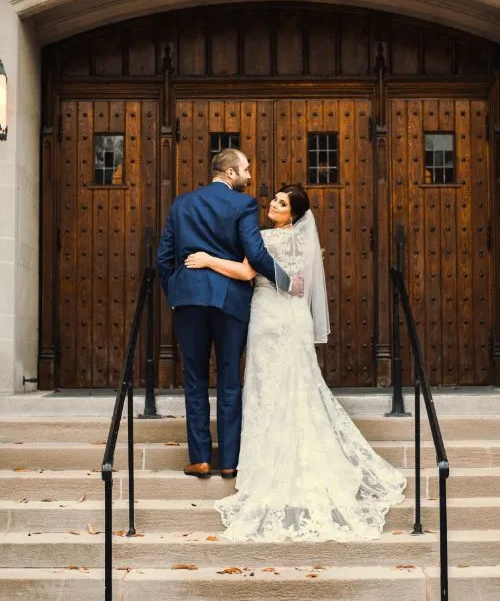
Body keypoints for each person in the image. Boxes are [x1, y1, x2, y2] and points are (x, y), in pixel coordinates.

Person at [184, 184, 407, 542]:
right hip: (294, 318)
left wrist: (206, 260)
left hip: (269, 318)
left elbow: (246, 273)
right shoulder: (305, 244)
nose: (273, 204)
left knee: (266, 387)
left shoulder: (263, 238)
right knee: (298, 388)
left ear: (294, 215)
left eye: (282, 203)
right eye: (274, 199)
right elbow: (299, 285)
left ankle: (262, 466)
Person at [156, 148, 296, 481]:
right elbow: (256, 252)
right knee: (230, 379)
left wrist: (176, 292)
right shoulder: (243, 204)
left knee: (194, 379)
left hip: (189, 299)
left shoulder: (181, 204)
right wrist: (287, 282)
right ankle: (230, 461)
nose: (250, 175)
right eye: (246, 169)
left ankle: (201, 458)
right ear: (230, 173)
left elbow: (164, 258)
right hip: (231, 301)